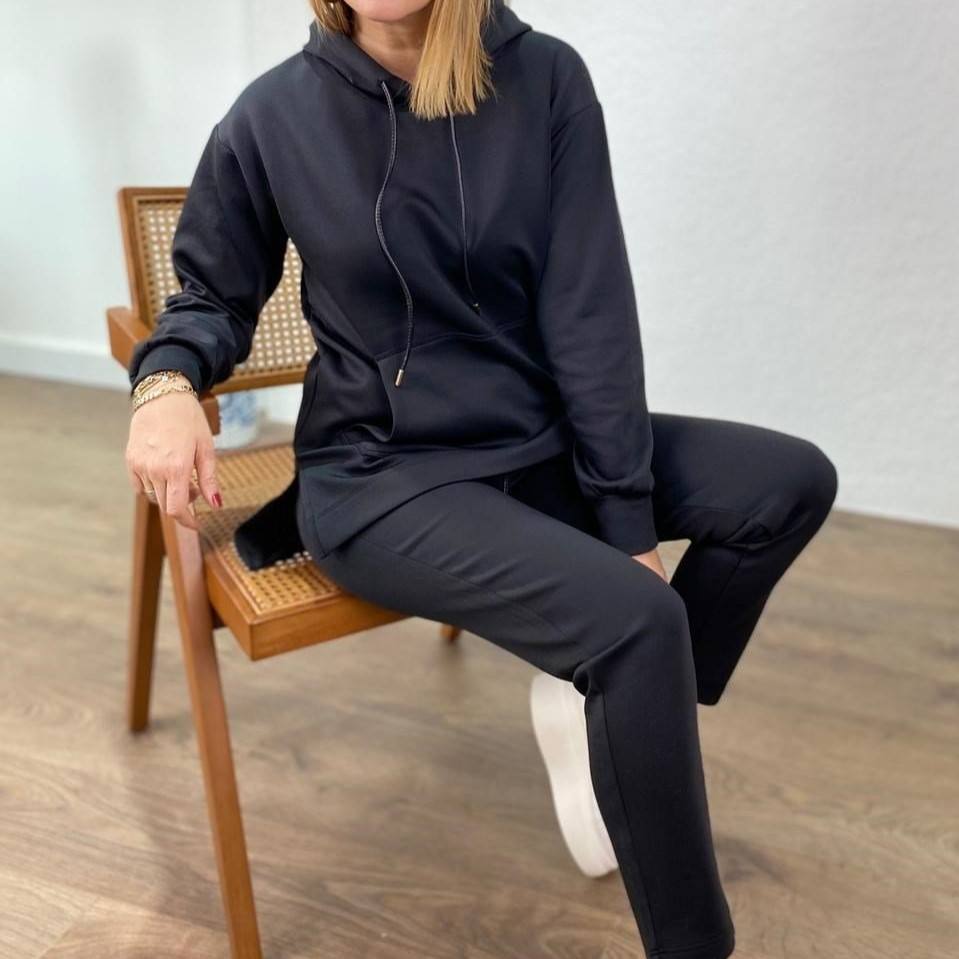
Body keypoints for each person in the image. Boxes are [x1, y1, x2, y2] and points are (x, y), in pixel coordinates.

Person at [125, 2, 839, 956]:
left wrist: (626, 520)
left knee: (786, 484)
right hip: (380, 478)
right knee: (639, 623)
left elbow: (589, 307)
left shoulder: (544, 78)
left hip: (534, 443)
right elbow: (212, 293)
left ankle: (616, 716)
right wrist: (166, 384)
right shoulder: (274, 114)